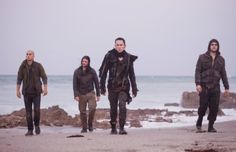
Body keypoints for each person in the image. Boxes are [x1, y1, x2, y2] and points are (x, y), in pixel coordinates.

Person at [99, 37, 138, 135]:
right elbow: (103, 72)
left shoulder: (128, 58)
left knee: (122, 106)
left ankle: (121, 128)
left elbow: (131, 74)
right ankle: (113, 127)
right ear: (114, 45)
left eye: (121, 45)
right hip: (112, 87)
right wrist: (102, 87)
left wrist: (134, 88)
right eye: (117, 45)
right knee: (113, 108)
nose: (119, 47)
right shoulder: (109, 56)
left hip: (124, 87)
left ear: (125, 46)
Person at [195, 39, 230, 132]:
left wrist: (226, 87)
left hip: (215, 87)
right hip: (204, 86)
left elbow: (223, 74)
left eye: (215, 45)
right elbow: (198, 71)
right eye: (212, 44)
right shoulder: (202, 57)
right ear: (209, 46)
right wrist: (198, 84)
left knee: (214, 107)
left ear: (218, 47)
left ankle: (211, 126)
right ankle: (199, 122)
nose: (214, 46)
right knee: (203, 106)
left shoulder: (221, 60)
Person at [16, 50, 48, 136]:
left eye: (30, 54)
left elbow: (44, 77)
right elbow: (19, 78)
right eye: (27, 54)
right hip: (26, 93)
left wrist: (45, 88)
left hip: (36, 92)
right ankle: (30, 130)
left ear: (33, 56)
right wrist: (17, 90)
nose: (28, 56)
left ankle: (37, 125)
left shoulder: (38, 66)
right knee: (28, 112)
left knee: (37, 111)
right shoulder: (22, 66)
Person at [73, 56, 100, 133]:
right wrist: (76, 95)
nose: (83, 63)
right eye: (83, 61)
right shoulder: (77, 71)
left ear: (88, 62)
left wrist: (98, 95)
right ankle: (84, 127)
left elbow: (97, 83)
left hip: (90, 93)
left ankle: (90, 124)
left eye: (85, 61)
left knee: (92, 108)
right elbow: (74, 85)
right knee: (82, 111)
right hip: (81, 94)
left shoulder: (92, 71)